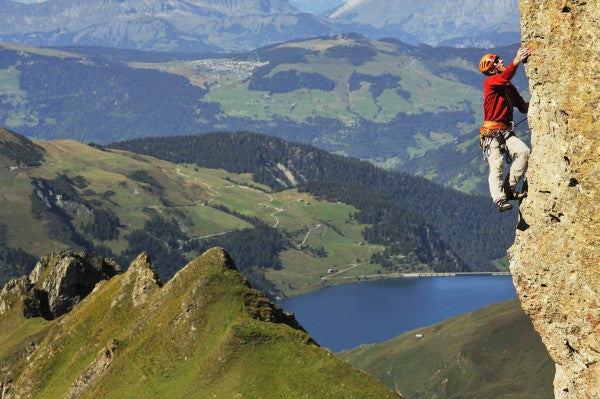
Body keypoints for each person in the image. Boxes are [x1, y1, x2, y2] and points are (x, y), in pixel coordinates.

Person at [479, 47, 531, 212]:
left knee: (524, 152)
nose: (502, 61)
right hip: (491, 135)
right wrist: (516, 61)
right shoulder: (490, 83)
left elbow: (523, 107)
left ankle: (509, 188)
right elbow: (505, 76)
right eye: (498, 61)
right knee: (497, 164)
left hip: (505, 132)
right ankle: (499, 199)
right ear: (493, 69)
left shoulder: (508, 87)